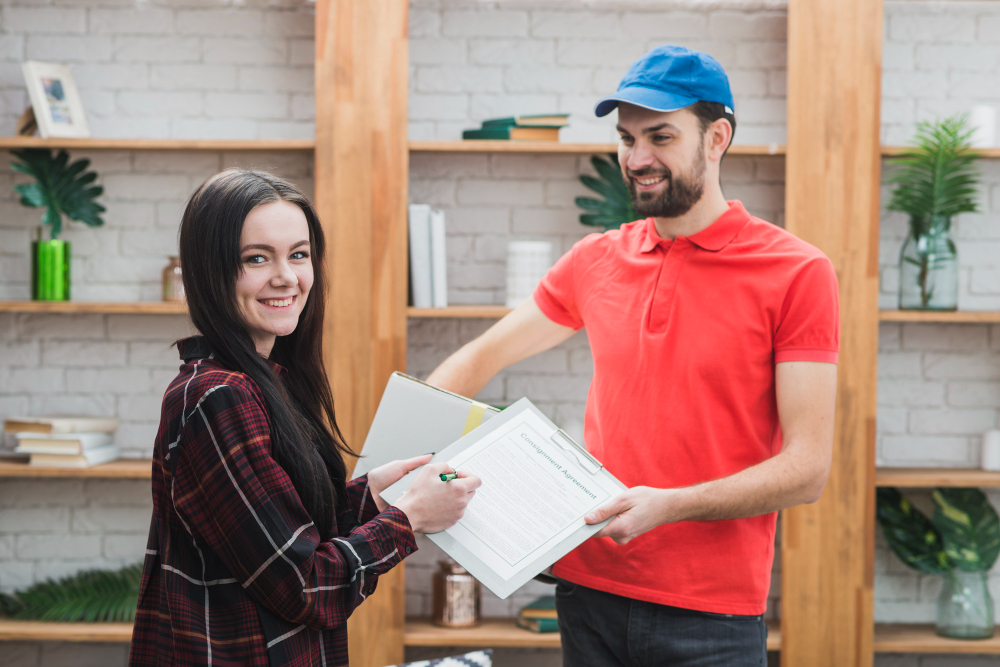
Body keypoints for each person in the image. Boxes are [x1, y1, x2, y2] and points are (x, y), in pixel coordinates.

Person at [425, 45, 839, 666]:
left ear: (717, 137)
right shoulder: (597, 259)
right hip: (588, 594)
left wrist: (671, 505)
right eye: (626, 138)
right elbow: (483, 355)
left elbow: (807, 469)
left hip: (710, 616)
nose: (637, 159)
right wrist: (414, 451)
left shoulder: (796, 272)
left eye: (661, 136)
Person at [129, 169, 481, 666]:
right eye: (256, 258)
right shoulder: (218, 398)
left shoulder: (269, 380)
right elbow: (306, 587)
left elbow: (289, 541)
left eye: (298, 254)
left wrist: (375, 495)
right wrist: (410, 519)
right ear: (210, 271)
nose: (287, 277)